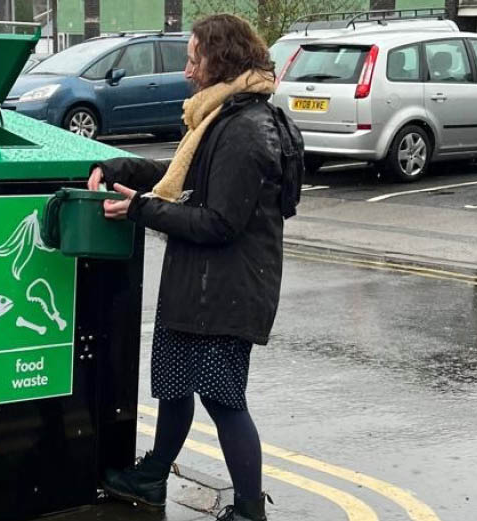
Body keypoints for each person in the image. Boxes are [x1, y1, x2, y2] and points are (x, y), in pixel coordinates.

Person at [87, 14, 303, 521]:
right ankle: (153, 476)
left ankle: (250, 510)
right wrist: (119, 166)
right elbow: (181, 175)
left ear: (220, 60)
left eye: (194, 58)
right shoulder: (220, 118)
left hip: (223, 293)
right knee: (177, 385)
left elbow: (219, 222)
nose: (187, 70)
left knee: (223, 398)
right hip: (202, 287)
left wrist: (139, 208)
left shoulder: (246, 129)